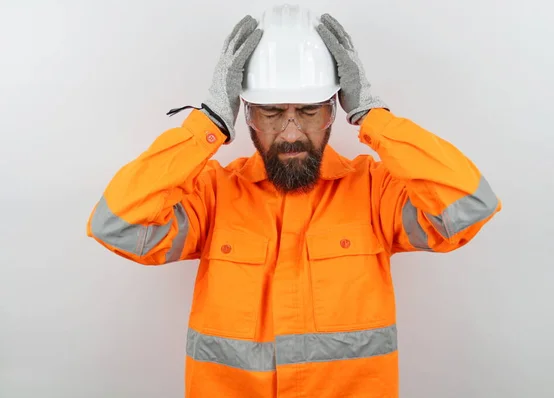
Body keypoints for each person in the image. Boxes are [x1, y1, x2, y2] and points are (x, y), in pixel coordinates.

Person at [87, 5, 501, 397]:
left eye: (307, 110)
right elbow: (118, 226)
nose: (289, 132)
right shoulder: (212, 196)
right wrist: (208, 123)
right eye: (270, 112)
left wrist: (373, 115)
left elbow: (468, 207)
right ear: (245, 113)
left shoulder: (375, 193)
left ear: (332, 113)